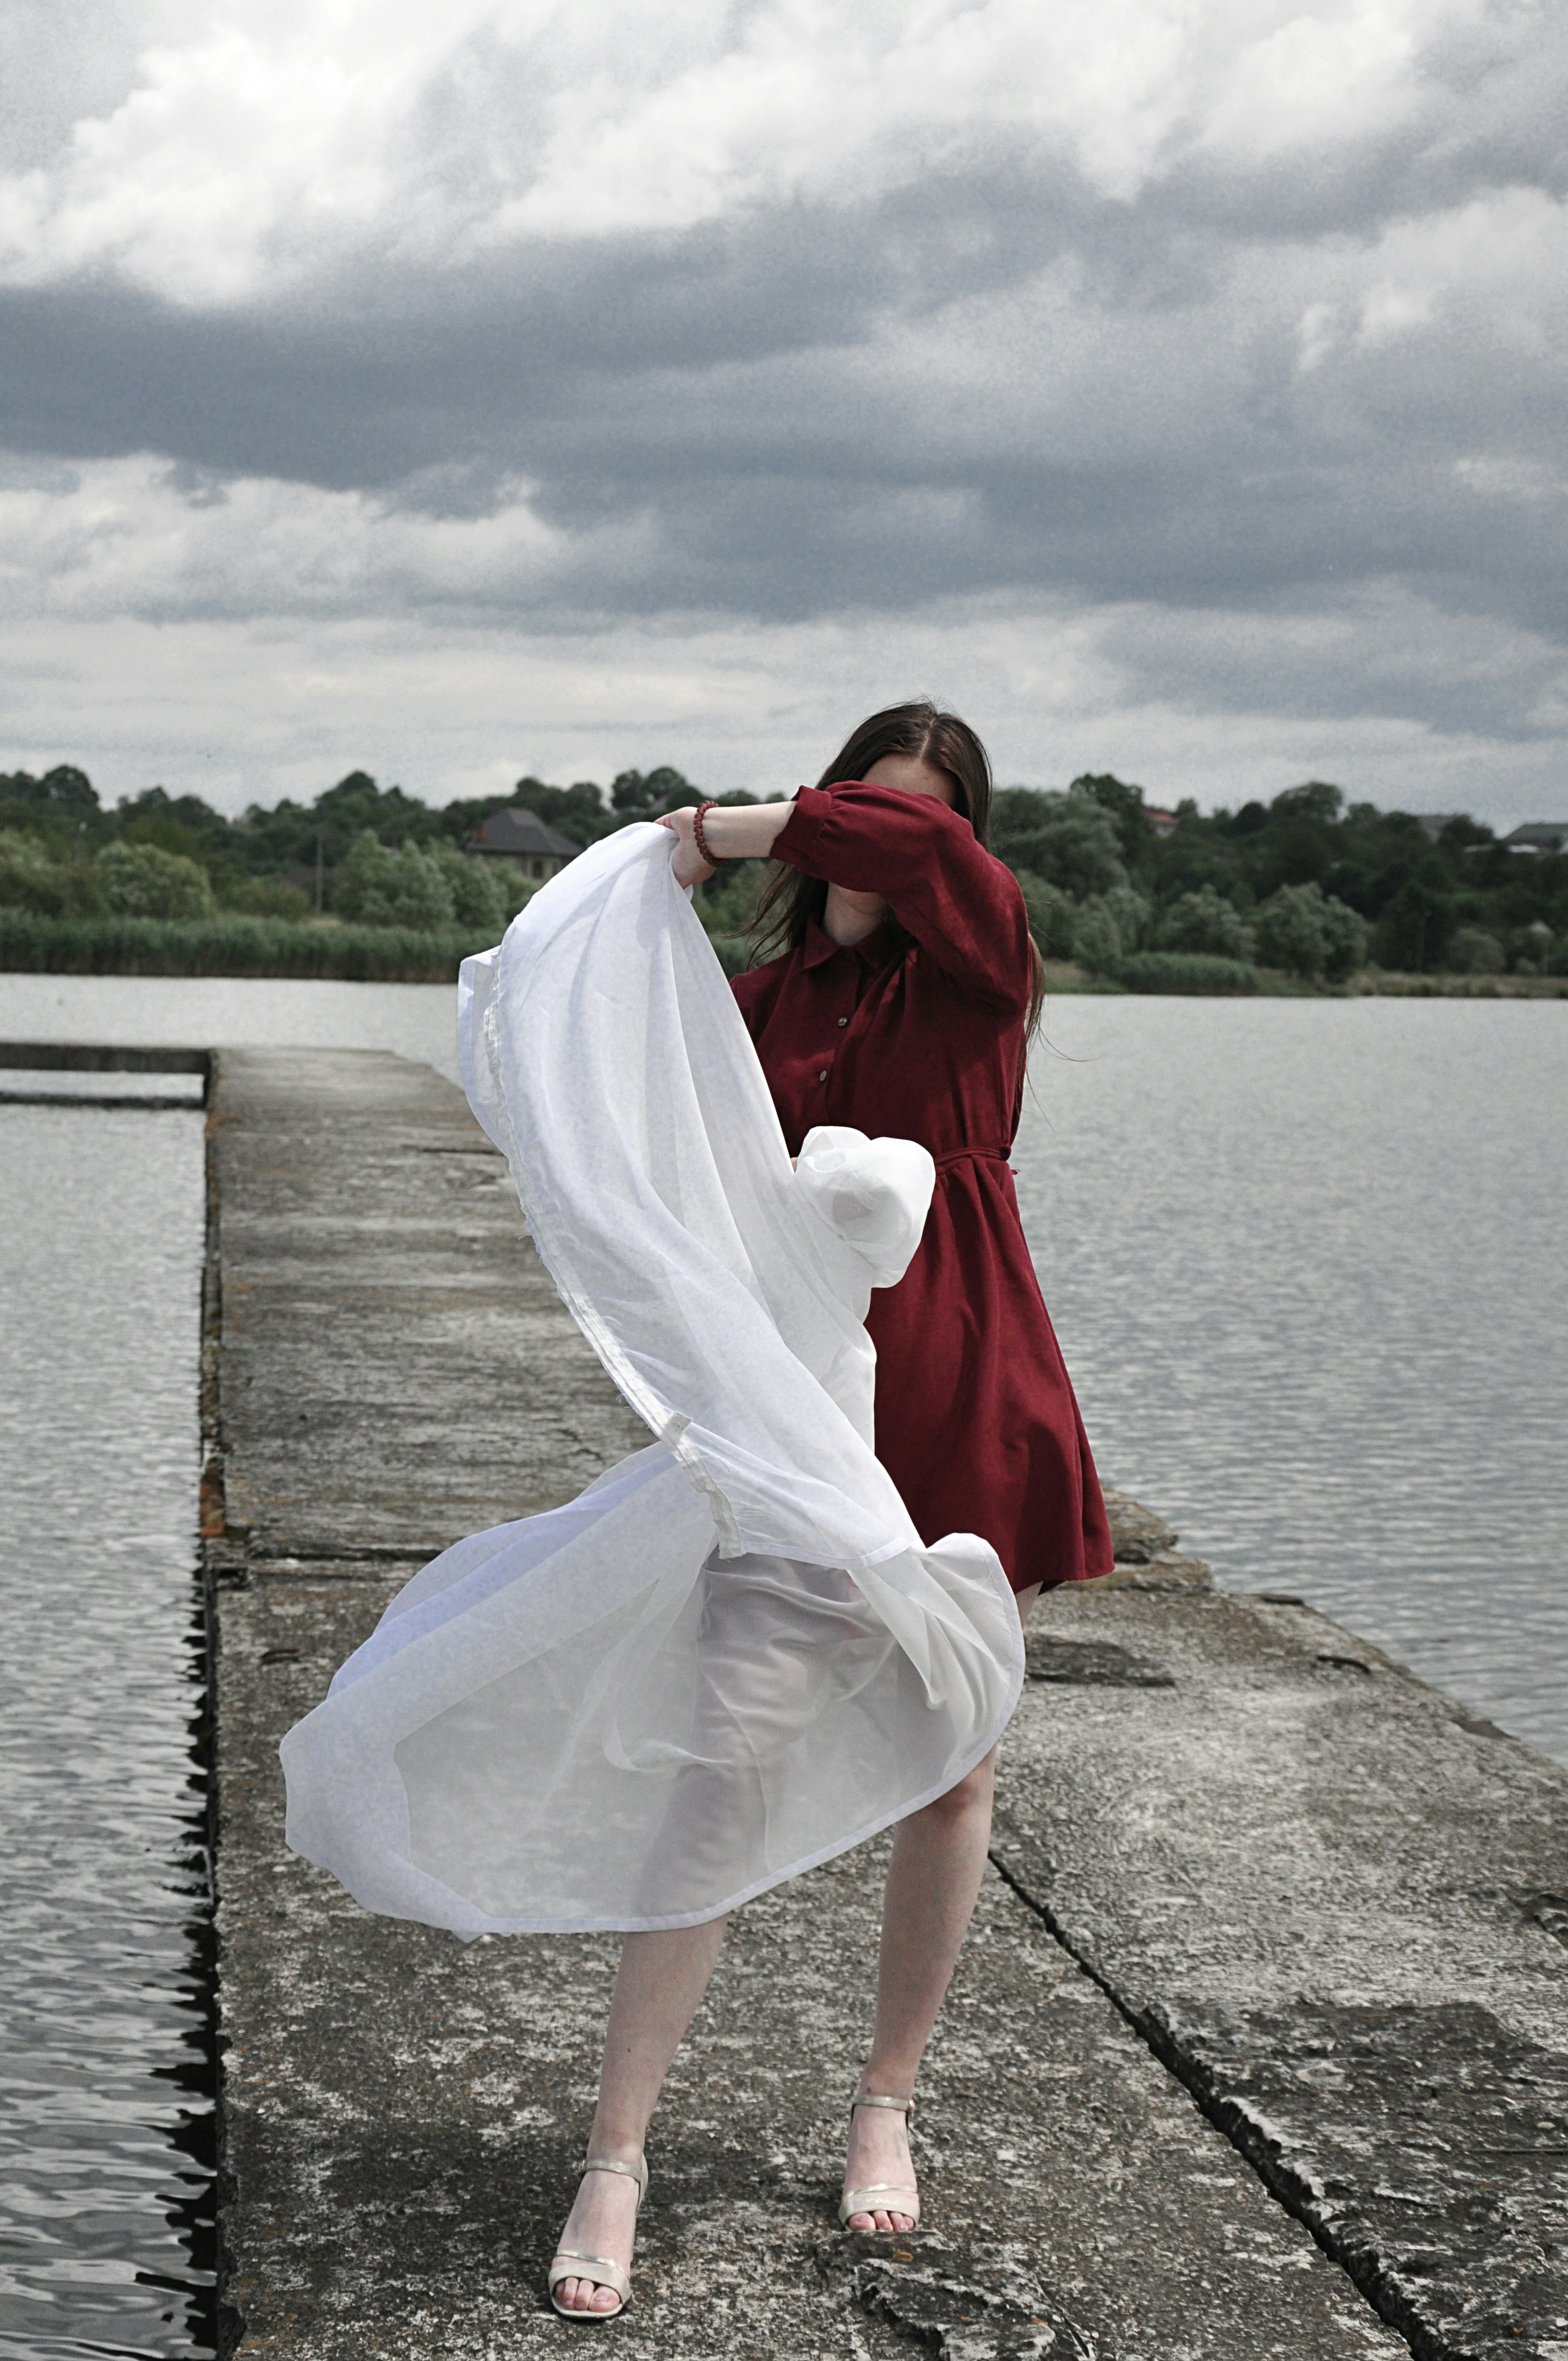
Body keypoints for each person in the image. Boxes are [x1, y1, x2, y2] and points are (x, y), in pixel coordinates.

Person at [550, 704, 1112, 2316]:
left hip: (965, 1412)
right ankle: (617, 2151)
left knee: (952, 1780)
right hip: (805, 1424)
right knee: (724, 1769)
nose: (883, 839)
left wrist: (725, 828)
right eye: (861, 806)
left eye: (914, 818)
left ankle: (884, 2110)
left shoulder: (983, 979)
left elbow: (931, 855)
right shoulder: (754, 1010)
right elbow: (647, 1155)